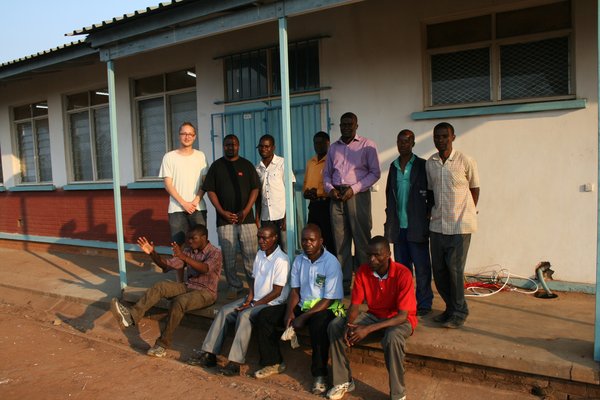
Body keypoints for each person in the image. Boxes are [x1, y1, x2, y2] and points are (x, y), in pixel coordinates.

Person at [253, 224, 343, 395]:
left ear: (321, 241)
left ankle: (319, 375)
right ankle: (273, 362)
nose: (307, 243)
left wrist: (304, 317)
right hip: (303, 305)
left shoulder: (331, 263)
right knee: (265, 315)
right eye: (304, 240)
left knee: (319, 326)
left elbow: (329, 298)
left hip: (323, 308)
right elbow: (295, 290)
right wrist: (290, 313)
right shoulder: (299, 260)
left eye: (311, 240)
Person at [110, 224, 222, 358]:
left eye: (194, 238)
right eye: (188, 239)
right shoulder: (188, 251)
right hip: (189, 286)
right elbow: (167, 265)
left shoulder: (215, 253)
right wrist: (152, 253)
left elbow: (205, 269)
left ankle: (162, 344)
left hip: (206, 293)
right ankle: (131, 316)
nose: (190, 241)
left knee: (179, 302)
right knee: (161, 286)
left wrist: (184, 257)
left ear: (204, 237)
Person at [327, 236, 417, 400]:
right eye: (369, 255)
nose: (372, 259)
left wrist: (367, 329)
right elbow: (355, 305)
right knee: (336, 325)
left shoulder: (403, 274)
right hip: (374, 316)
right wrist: (349, 323)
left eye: (377, 255)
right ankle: (343, 381)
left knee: (393, 337)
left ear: (388, 254)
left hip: (399, 320)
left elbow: (403, 315)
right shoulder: (363, 271)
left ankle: (398, 394)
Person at [194, 224, 290, 376]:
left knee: (245, 315)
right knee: (225, 311)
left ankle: (235, 363)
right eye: (259, 237)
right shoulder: (260, 254)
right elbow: (253, 279)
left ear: (275, 238)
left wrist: (253, 305)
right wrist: (249, 298)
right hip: (255, 299)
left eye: (264, 238)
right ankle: (209, 354)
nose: (261, 241)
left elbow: (277, 292)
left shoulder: (282, 260)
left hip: (271, 303)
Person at [426, 122, 480, 329]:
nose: (440, 140)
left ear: (453, 137)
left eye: (444, 136)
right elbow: (431, 193)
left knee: (455, 270)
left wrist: (468, 211)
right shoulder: (430, 163)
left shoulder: (466, 160)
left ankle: (460, 311)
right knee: (439, 271)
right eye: (436, 137)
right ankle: (450, 308)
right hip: (438, 225)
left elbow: (475, 189)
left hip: (460, 226)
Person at [323, 112, 381, 294]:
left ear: (357, 125)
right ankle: (345, 283)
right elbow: (326, 174)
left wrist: (353, 189)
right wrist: (330, 189)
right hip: (336, 197)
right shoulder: (333, 148)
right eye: (343, 124)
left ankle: (365, 285)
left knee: (362, 242)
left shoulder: (367, 145)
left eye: (350, 124)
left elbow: (375, 173)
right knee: (341, 243)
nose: (346, 127)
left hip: (357, 196)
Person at [203, 134, 260, 299]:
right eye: (228, 144)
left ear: (238, 146)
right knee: (229, 257)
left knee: (251, 256)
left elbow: (255, 188)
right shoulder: (216, 166)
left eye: (234, 144)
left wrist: (246, 210)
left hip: (247, 220)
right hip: (224, 220)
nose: (231, 147)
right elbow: (210, 190)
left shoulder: (247, 165)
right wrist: (222, 212)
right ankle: (234, 286)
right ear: (223, 146)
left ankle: (254, 287)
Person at [384, 129, 434, 316]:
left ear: (413, 143)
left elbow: (431, 195)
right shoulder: (393, 166)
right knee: (403, 271)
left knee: (422, 268)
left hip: (417, 226)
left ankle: (424, 303)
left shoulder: (422, 165)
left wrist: (427, 217)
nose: (402, 144)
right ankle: (406, 303)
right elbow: (389, 194)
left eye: (406, 141)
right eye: (399, 141)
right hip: (398, 228)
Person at [159, 122, 208, 245]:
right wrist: (184, 203)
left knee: (200, 245)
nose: (187, 137)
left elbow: (205, 182)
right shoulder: (169, 157)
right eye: (184, 134)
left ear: (195, 136)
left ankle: (197, 265)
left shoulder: (201, 156)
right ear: (179, 136)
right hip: (176, 209)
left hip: (198, 208)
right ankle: (181, 265)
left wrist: (195, 201)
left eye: (190, 134)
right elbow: (168, 185)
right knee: (178, 246)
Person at [255, 134, 295, 250]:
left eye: (267, 146)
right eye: (261, 146)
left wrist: (287, 216)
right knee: (269, 249)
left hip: (281, 215)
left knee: (285, 249)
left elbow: (290, 190)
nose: (263, 149)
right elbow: (258, 195)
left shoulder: (282, 163)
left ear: (273, 148)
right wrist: (257, 217)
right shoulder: (257, 168)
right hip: (266, 217)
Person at [303, 131, 334, 252]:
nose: (318, 146)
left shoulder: (331, 161)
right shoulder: (310, 162)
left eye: (321, 143)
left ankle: (331, 267)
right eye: (315, 143)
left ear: (328, 143)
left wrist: (319, 192)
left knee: (328, 238)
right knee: (312, 235)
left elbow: (333, 183)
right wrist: (306, 192)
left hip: (326, 203)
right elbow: (306, 183)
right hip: (313, 204)